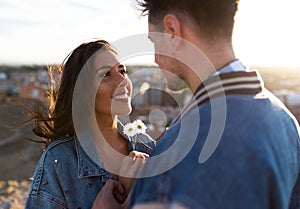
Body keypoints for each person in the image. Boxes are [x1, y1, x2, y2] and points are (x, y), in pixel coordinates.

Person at [92, 0, 300, 208]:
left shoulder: (184, 148)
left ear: (172, 30)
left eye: (154, 41)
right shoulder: (284, 121)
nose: (155, 58)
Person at [24, 39, 155, 209]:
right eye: (106, 74)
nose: (122, 80)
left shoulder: (147, 146)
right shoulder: (60, 161)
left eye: (123, 71)